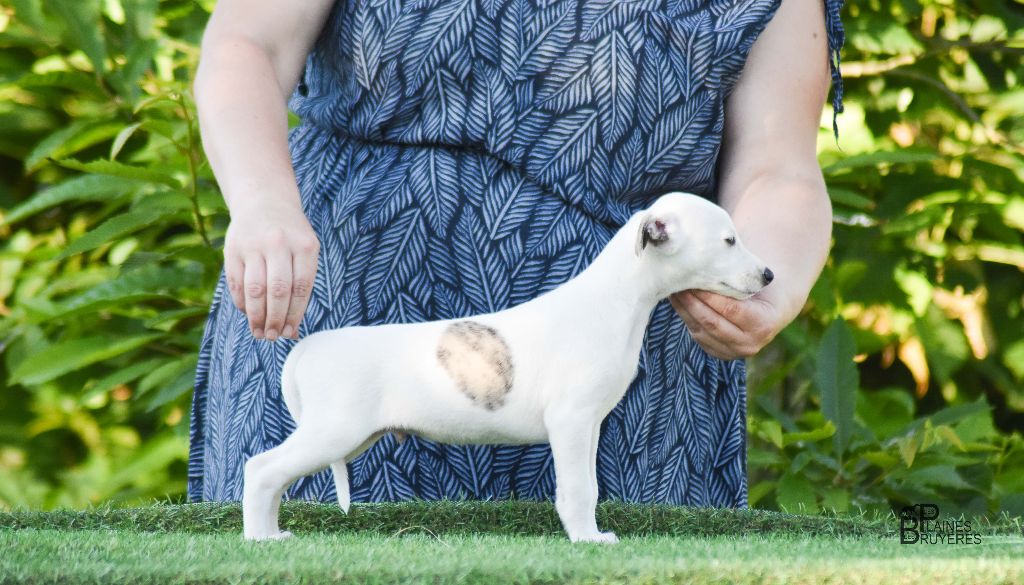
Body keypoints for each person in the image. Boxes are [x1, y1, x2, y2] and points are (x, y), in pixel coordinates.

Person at [188, 0, 845, 506]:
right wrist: (263, 202)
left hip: (629, 390)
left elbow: (777, 166)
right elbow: (247, 45)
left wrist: (771, 279)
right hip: (344, 319)